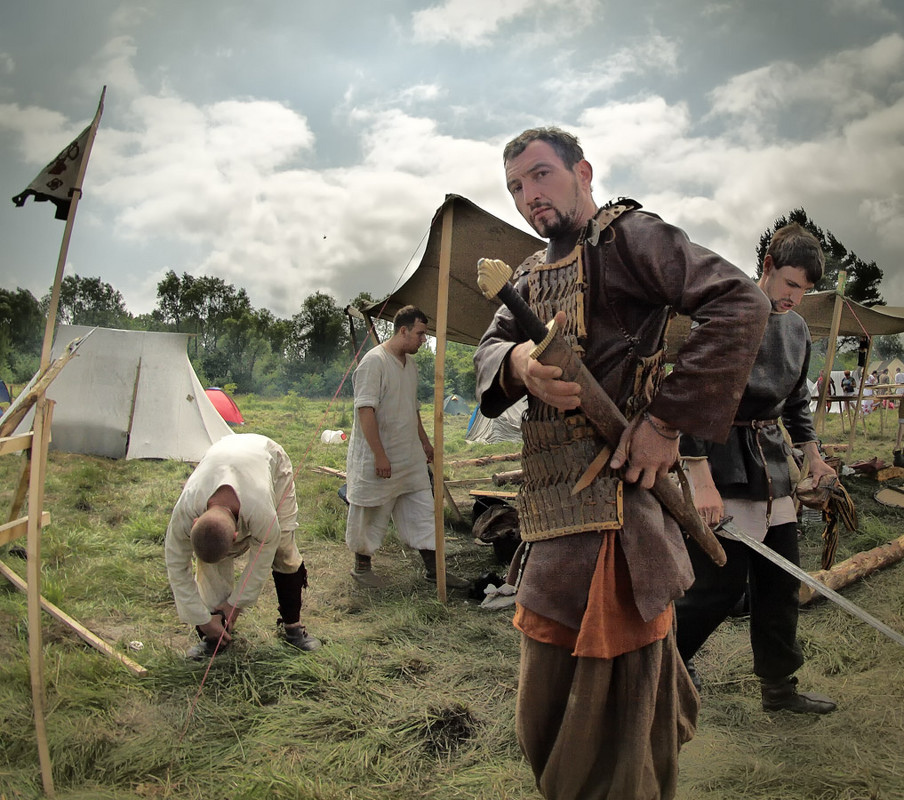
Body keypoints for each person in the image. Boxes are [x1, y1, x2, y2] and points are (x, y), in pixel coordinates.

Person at [474, 127, 770, 800]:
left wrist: (665, 421)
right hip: (551, 519)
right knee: (544, 712)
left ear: (582, 170)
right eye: (517, 186)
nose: (530, 196)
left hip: (619, 517)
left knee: (626, 718)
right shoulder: (523, 275)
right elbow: (488, 354)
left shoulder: (629, 237)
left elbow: (739, 303)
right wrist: (520, 361)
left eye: (542, 176)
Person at [677, 223, 837, 714]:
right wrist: (699, 476)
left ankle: (779, 689)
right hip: (721, 463)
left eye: (805, 290)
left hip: (772, 466)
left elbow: (797, 402)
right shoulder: (727, 312)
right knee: (718, 587)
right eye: (790, 283)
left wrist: (811, 453)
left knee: (779, 584)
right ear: (768, 265)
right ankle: (665, 663)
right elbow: (691, 392)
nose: (796, 297)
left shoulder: (798, 329)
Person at [164, 433, 321, 659]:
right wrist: (202, 620)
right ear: (195, 522)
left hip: (269, 460)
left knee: (284, 549)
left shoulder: (261, 511)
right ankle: (215, 635)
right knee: (209, 564)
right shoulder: (186, 510)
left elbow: (260, 562)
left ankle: (293, 626)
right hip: (224, 453)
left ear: (238, 536)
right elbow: (176, 567)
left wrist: (235, 605)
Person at [345, 305, 468, 589]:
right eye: (421, 334)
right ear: (403, 330)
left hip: (408, 454)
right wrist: (379, 454)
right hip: (379, 455)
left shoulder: (409, 365)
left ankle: (434, 570)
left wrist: (424, 442)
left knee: (423, 508)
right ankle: (362, 569)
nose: (424, 340)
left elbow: (411, 409)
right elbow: (365, 410)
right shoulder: (373, 362)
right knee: (369, 511)